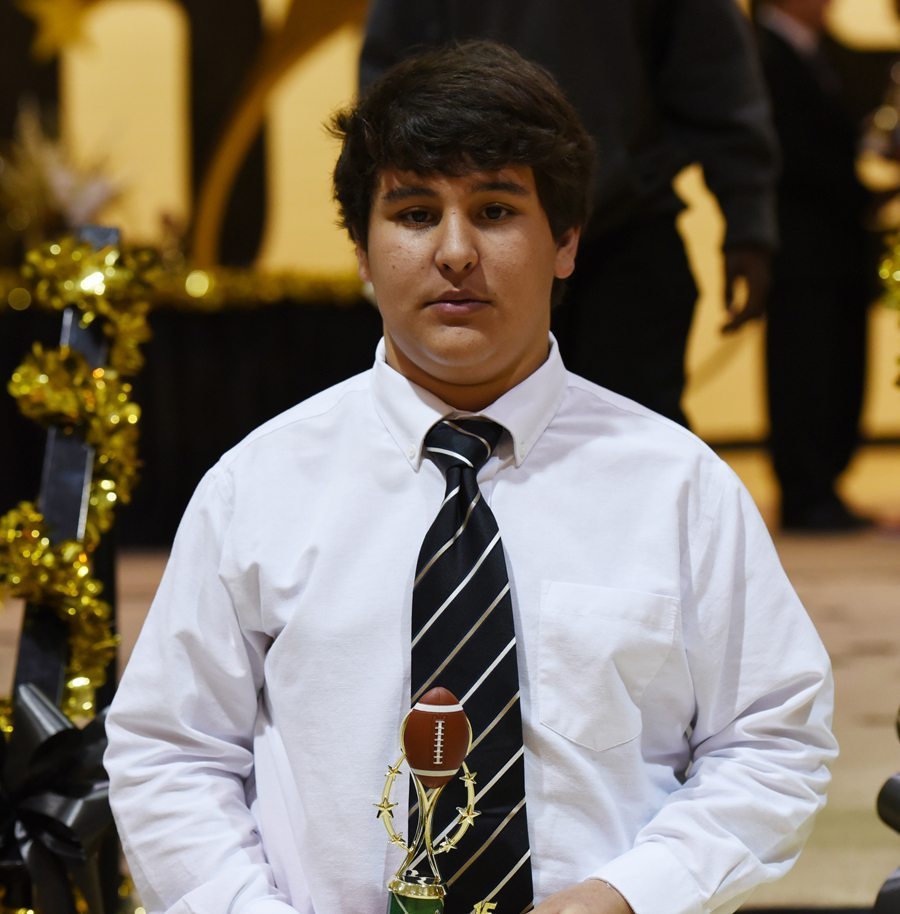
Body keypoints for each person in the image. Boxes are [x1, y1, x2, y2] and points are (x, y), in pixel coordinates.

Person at [105, 41, 837, 914]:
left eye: (495, 210)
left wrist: (630, 895)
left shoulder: (679, 488)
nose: (455, 252)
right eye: (415, 213)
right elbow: (170, 753)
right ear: (363, 250)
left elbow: (771, 743)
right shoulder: (256, 488)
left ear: (566, 241)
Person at [358, 0, 780, 428]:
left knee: (635, 434)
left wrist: (748, 221)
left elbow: (714, 67)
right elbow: (388, 87)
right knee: (454, 425)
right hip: (481, 224)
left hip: (627, 233)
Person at [754, 0, 881, 530]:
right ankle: (806, 491)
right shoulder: (759, 52)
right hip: (798, 246)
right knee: (804, 368)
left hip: (843, 242)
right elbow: (789, 152)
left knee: (840, 367)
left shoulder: (827, 52)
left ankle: (826, 483)